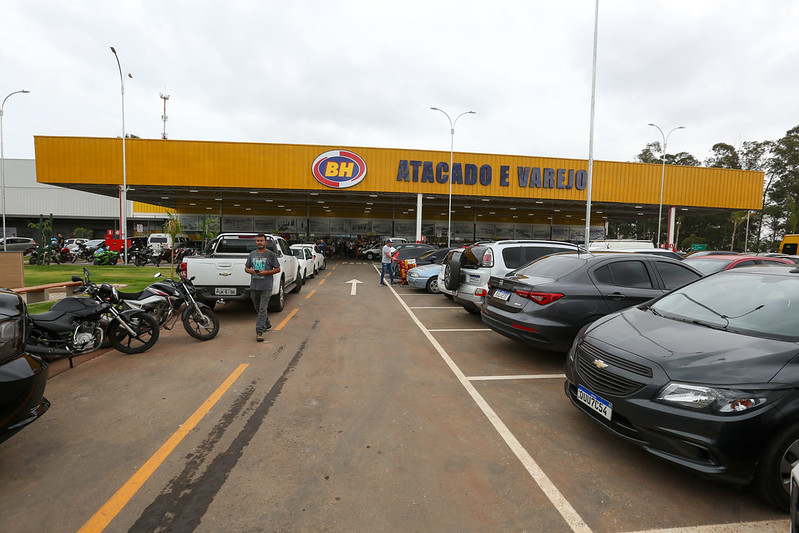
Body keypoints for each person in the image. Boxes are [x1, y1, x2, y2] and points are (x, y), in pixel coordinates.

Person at [244, 233, 281, 342]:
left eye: (261, 240)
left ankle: (259, 331)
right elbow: (246, 268)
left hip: (266, 286)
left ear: (265, 242)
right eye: (257, 241)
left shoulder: (270, 255)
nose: (259, 242)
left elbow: (278, 269)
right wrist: (249, 270)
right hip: (254, 286)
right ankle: (267, 323)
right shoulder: (252, 254)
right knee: (257, 307)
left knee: (262, 308)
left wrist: (266, 272)